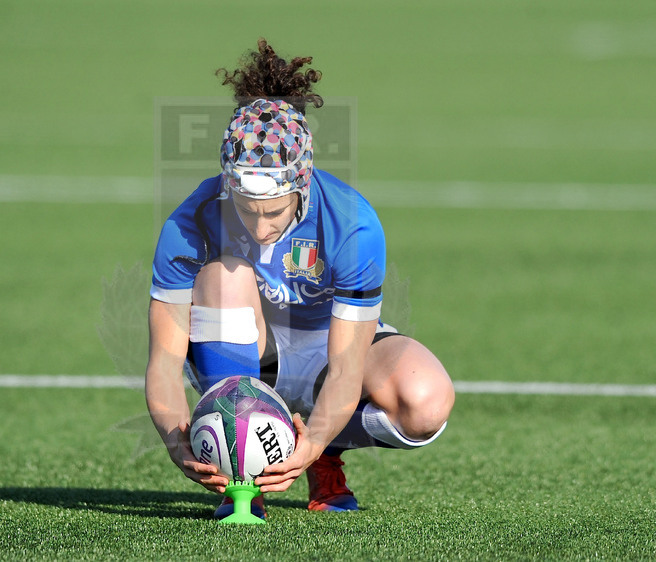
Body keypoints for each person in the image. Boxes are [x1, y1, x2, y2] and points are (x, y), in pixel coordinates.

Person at [145, 39, 455, 519]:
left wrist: (311, 442)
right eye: (246, 210)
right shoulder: (190, 221)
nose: (260, 226)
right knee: (224, 274)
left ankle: (327, 457)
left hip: (330, 346)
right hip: (240, 343)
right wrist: (173, 439)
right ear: (228, 182)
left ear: (302, 181)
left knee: (426, 402)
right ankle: (242, 482)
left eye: (273, 211)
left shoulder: (352, 223)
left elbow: (348, 366)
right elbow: (165, 360)